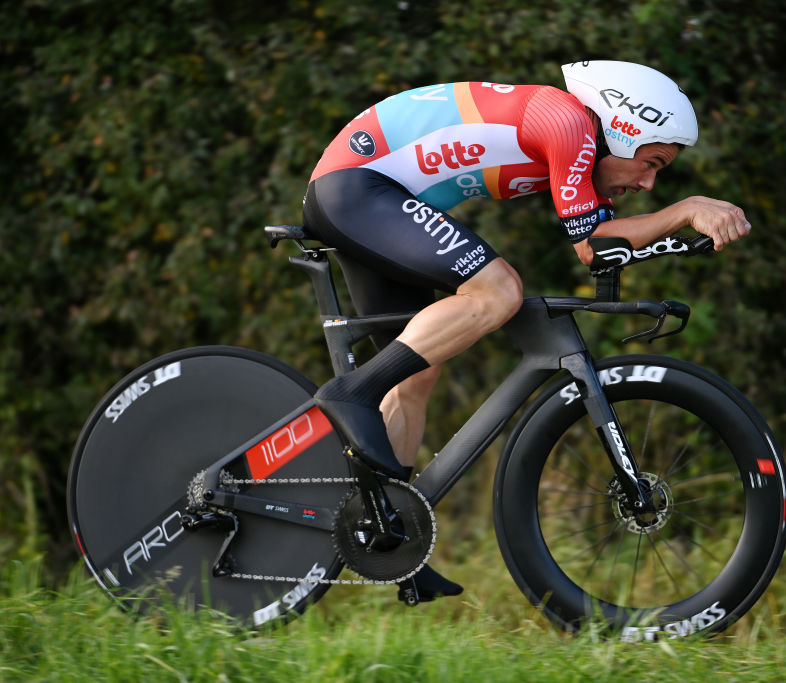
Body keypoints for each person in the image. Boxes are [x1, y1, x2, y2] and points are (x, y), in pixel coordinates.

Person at [303, 61, 751, 600]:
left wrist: (686, 235)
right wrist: (688, 210)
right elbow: (590, 243)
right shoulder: (567, 125)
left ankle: (392, 537)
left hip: (371, 195)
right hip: (360, 187)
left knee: (417, 372)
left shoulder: (576, 137)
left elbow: (601, 248)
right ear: (622, 129)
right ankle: (353, 393)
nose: (650, 182)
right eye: (651, 164)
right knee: (498, 291)